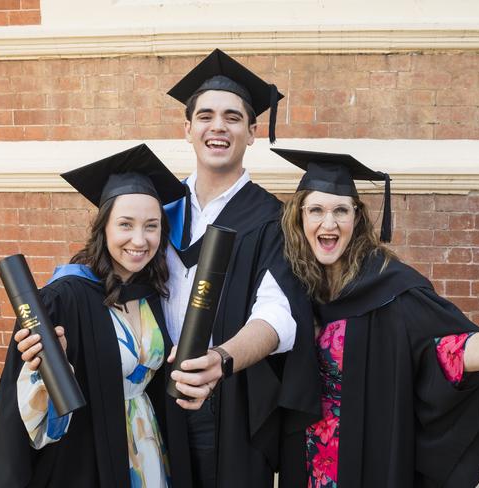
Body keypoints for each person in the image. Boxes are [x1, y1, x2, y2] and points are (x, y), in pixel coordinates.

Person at [274, 148, 479, 488]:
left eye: (340, 210)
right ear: (299, 216)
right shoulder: (291, 283)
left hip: (370, 455)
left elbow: (445, 347)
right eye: (316, 209)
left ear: (356, 218)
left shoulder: (390, 286)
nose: (328, 223)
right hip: (304, 454)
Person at [0, 144, 190, 487]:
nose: (140, 239)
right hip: (88, 459)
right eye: (125, 224)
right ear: (103, 228)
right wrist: (44, 371)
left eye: (151, 226)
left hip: (147, 445)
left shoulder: (151, 294)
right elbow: (24, 410)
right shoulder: (63, 298)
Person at [161, 49, 319, 488]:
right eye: (206, 116)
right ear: (187, 129)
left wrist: (220, 361)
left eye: (233, 118)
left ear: (251, 133)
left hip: (228, 405)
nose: (218, 126)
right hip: (152, 400)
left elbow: (278, 316)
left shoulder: (273, 220)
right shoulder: (158, 211)